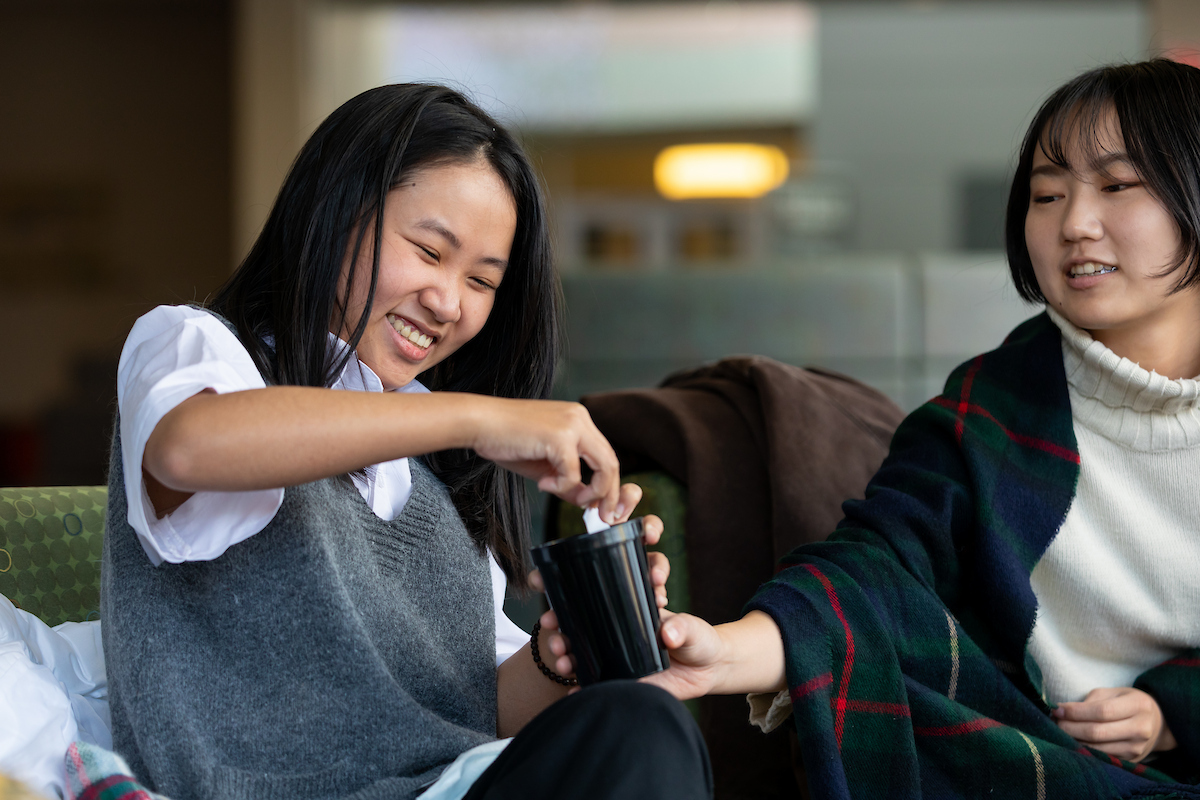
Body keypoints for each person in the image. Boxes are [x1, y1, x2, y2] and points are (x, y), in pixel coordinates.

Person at [101, 83, 711, 800]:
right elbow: (188, 449)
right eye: (428, 251)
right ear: (335, 211)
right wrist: (477, 419)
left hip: (450, 786)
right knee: (644, 730)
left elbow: (470, 711)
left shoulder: (428, 463)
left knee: (638, 718)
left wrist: (558, 655)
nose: (448, 303)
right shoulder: (197, 349)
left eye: (481, 281)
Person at [622, 60, 1200, 798]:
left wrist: (1174, 711)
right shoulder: (988, 410)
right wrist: (721, 653)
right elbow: (875, 569)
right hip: (1038, 759)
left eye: (1117, 186)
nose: (1074, 224)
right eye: (1047, 194)